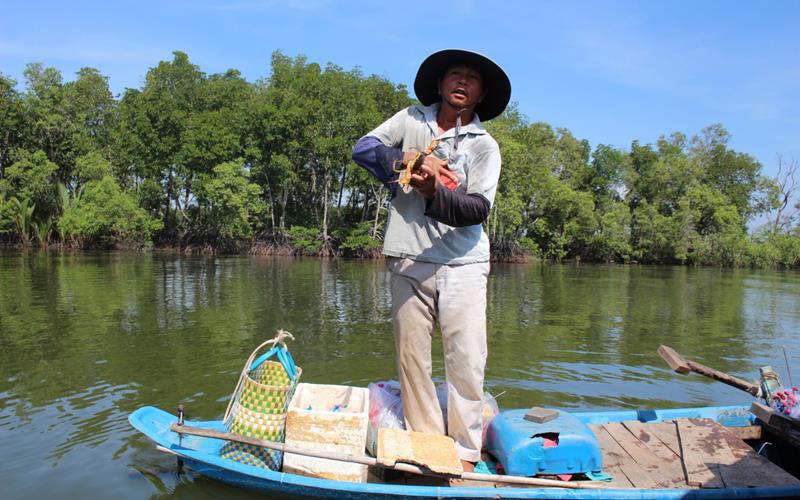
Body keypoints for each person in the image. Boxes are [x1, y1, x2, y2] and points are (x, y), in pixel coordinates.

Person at [351, 49, 510, 471]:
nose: (462, 82)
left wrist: (432, 191)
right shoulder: (410, 120)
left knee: (467, 359)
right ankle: (425, 445)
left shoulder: (484, 145)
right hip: (408, 259)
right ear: (439, 84)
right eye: (454, 75)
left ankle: (464, 452)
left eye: (472, 78)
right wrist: (411, 161)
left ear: (481, 94)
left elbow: (477, 209)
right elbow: (364, 149)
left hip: (464, 264)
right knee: (412, 360)